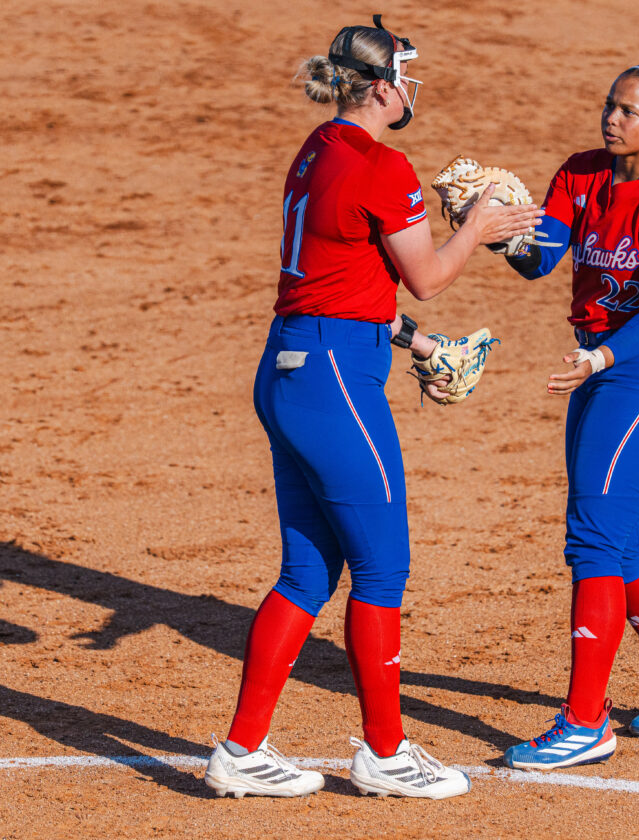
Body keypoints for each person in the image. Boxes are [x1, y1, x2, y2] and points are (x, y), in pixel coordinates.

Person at [202, 17, 541, 799]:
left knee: (306, 572)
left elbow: (344, 279)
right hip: (335, 383)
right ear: (383, 86)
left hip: (291, 367)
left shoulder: (318, 148)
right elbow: (425, 276)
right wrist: (480, 227)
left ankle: (242, 749)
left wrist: (418, 344)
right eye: (405, 74)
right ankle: (386, 755)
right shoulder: (383, 166)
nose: (411, 87)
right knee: (382, 567)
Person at [501, 64, 639, 770]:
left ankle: (584, 723)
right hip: (597, 368)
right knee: (615, 541)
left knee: (593, 539)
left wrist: (599, 358)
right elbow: (539, 262)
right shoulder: (581, 173)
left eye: (629, 111)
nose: (613, 118)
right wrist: (492, 229)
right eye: (609, 106)